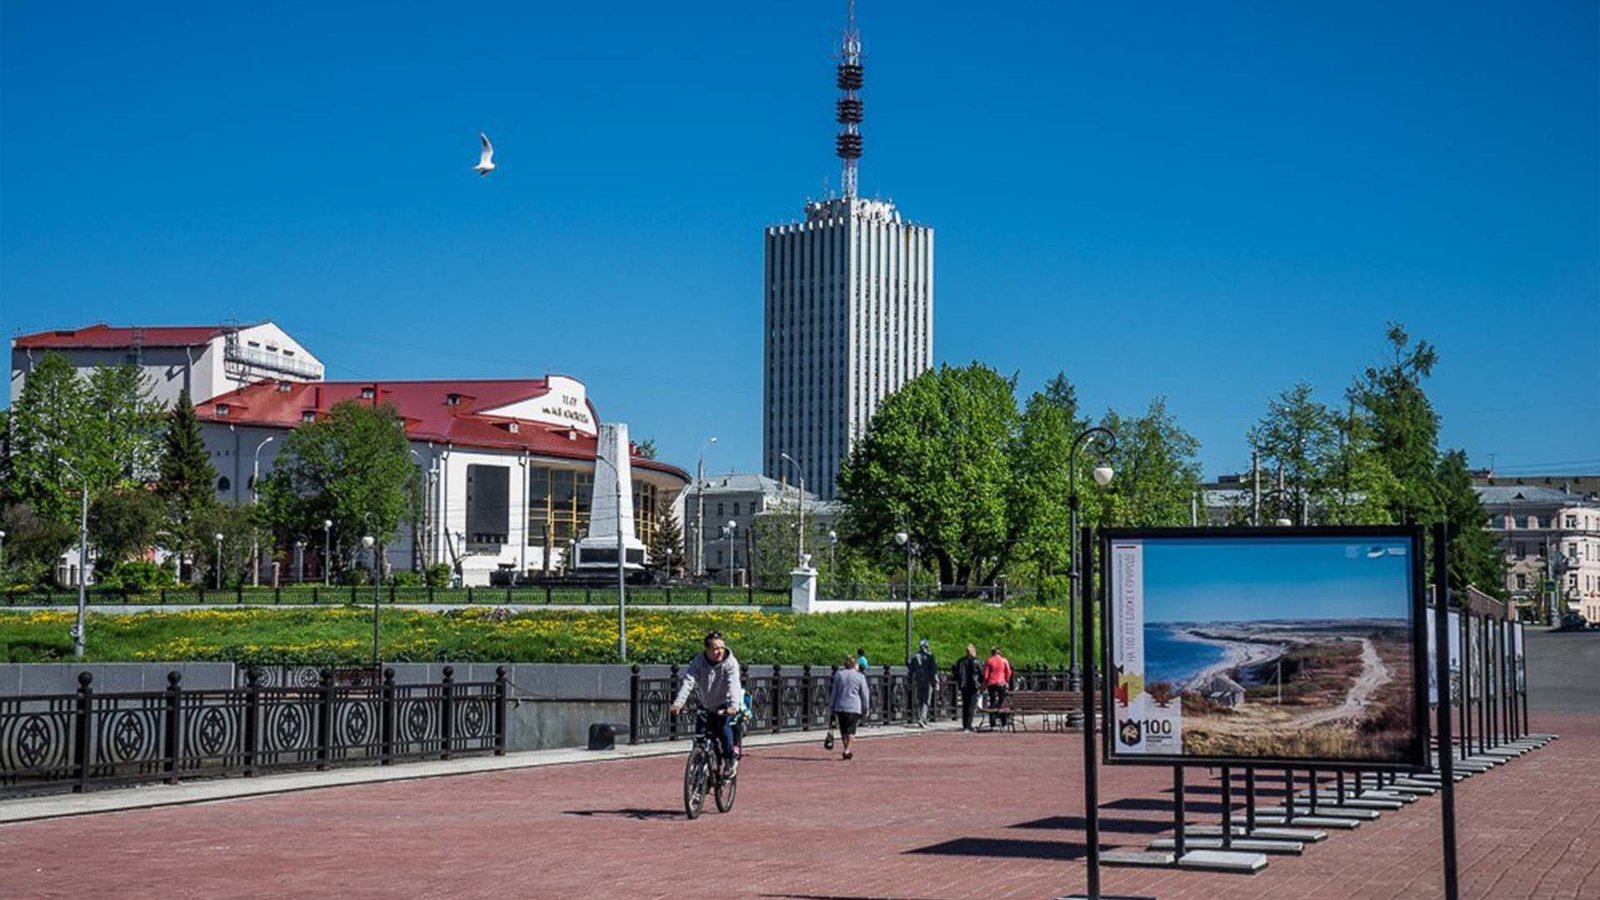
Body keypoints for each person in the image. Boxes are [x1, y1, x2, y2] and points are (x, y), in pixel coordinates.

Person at [670, 631, 744, 777]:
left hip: (725, 705)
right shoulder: (698, 662)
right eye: (716, 648)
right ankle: (698, 777)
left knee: (724, 731)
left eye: (722, 647)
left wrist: (733, 706)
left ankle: (730, 760)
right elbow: (688, 682)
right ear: (707, 650)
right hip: (706, 704)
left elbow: (734, 684)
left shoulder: (730, 662)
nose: (720, 651)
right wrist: (678, 703)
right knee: (699, 740)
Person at [829, 655, 872, 760]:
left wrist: (831, 706)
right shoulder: (860, 676)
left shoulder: (839, 675)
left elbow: (834, 692)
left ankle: (846, 749)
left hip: (840, 705)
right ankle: (847, 750)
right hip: (854, 706)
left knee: (843, 730)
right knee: (851, 730)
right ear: (855, 665)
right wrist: (866, 708)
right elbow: (865, 694)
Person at [952, 644, 983, 732]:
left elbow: (956, 671)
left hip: (963, 685)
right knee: (971, 706)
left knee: (965, 705)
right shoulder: (977, 661)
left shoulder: (960, 661)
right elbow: (981, 673)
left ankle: (965, 724)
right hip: (973, 685)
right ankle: (968, 725)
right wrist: (980, 683)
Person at [908, 638, 938, 727]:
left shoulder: (914, 656)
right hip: (928, 680)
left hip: (918, 680)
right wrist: (936, 681)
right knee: (926, 700)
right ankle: (922, 718)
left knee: (920, 699)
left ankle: (920, 717)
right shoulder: (930, 656)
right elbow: (934, 670)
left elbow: (911, 670)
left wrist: (910, 680)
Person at [983, 646, 1013, 729]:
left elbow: (986, 675)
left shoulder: (989, 660)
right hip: (1001, 683)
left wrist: (984, 684)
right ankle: (1003, 722)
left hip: (991, 683)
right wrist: (1006, 681)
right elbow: (1008, 672)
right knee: (1002, 702)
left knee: (992, 702)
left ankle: (992, 723)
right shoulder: (1004, 660)